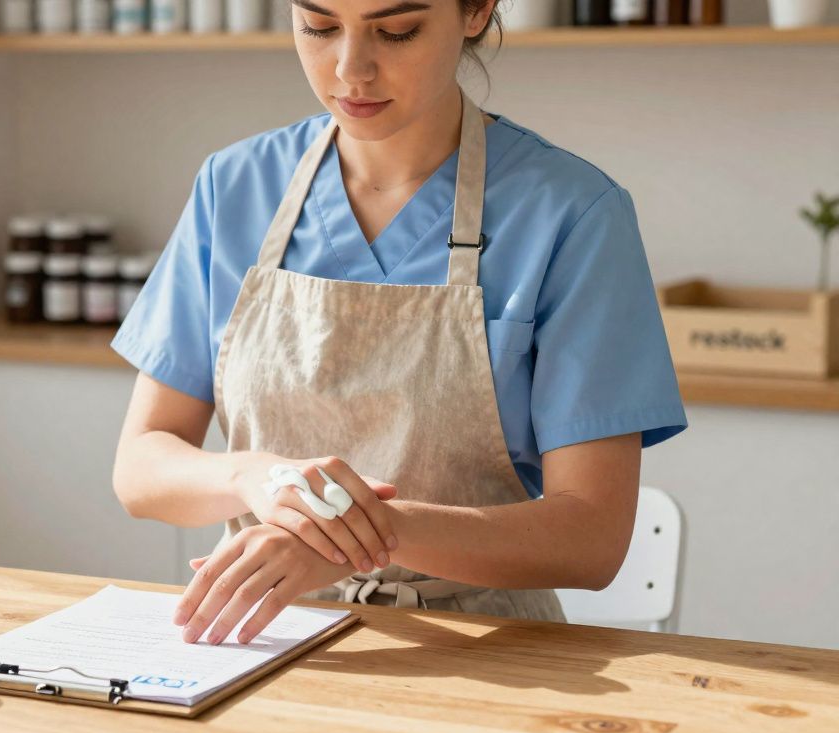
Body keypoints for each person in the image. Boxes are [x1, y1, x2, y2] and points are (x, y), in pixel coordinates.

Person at [110, 0, 688, 646]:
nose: (350, 69)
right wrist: (253, 476)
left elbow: (592, 538)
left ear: (477, 11)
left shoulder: (572, 213)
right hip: (260, 640)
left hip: (491, 651)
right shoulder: (235, 186)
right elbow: (141, 467)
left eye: (396, 31)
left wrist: (351, 536)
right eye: (319, 26)